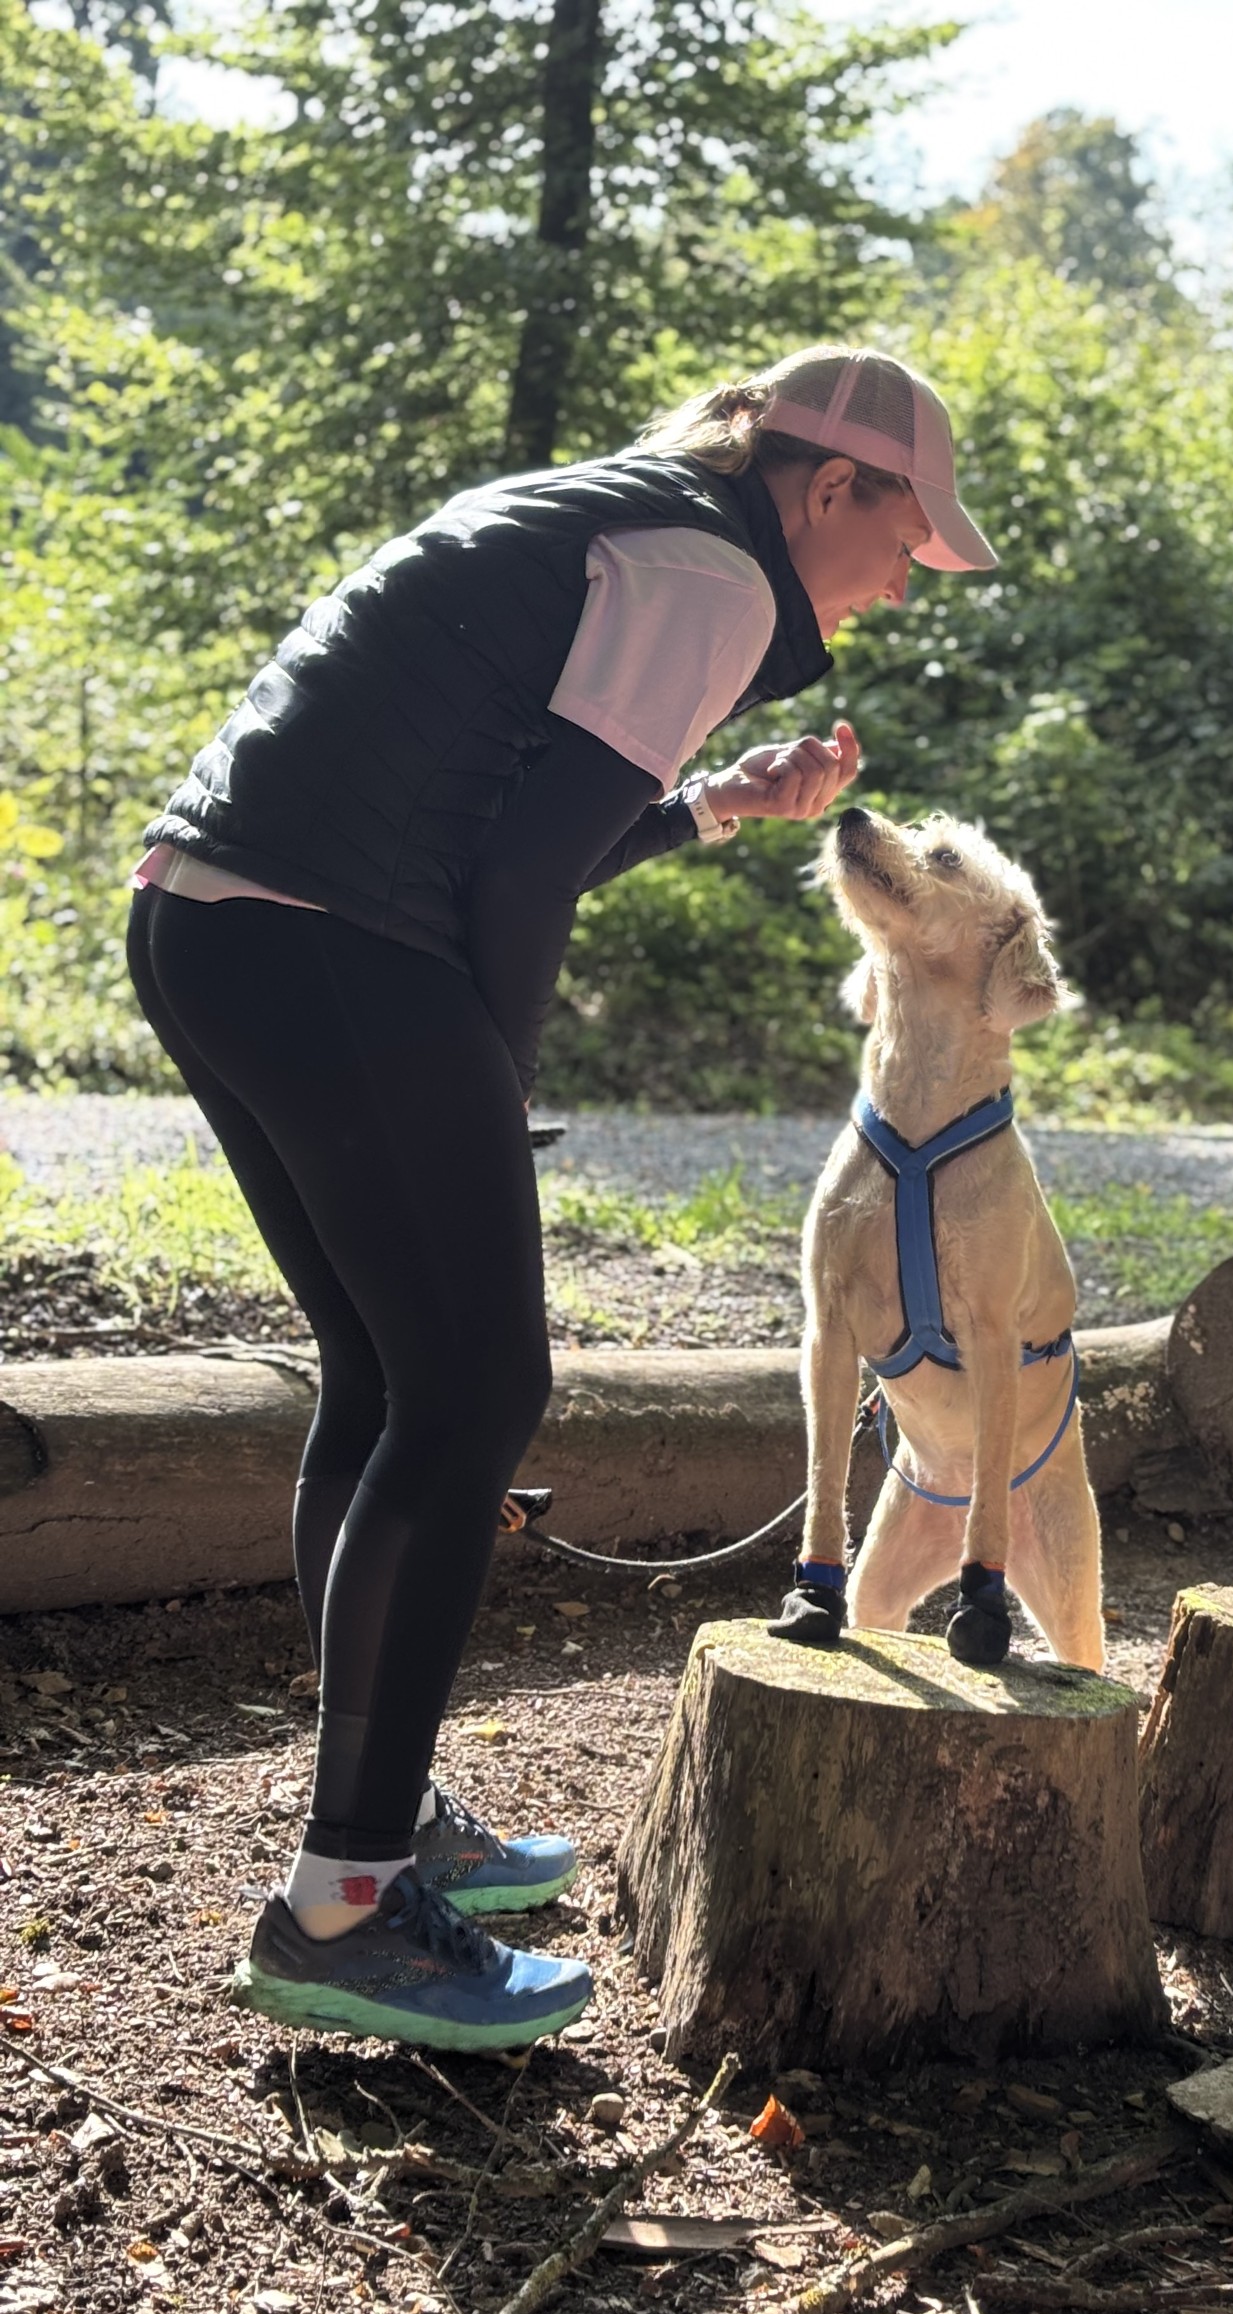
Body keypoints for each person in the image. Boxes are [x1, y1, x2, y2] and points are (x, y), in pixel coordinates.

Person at [127, 344, 996, 2053]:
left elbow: (515, 822)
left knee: (392, 1381)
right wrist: (491, 1076)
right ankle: (346, 1903)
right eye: (903, 544)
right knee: (474, 1391)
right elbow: (515, 886)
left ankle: (378, 1815)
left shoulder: (627, 523)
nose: (901, 585)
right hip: (332, 945)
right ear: (830, 485)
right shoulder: (712, 575)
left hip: (210, 917)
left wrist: (711, 808)